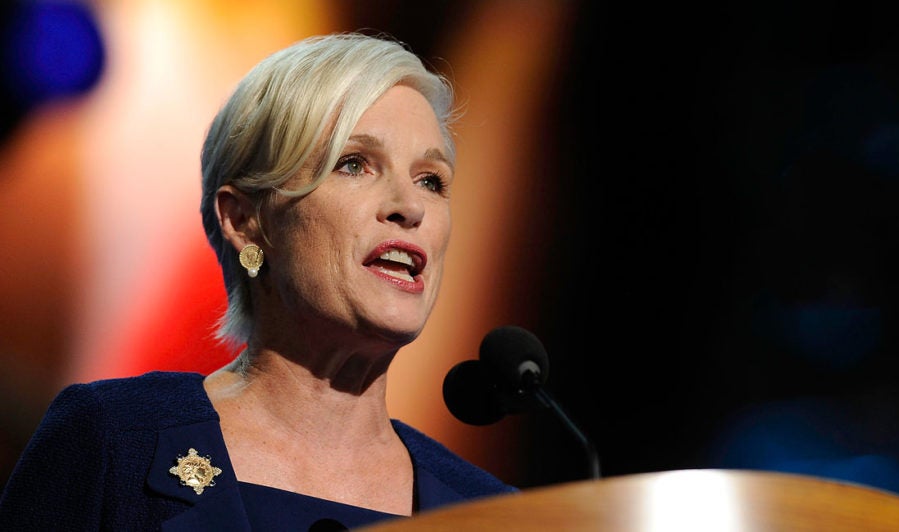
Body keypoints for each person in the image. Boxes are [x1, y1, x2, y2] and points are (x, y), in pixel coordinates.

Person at [0, 31, 518, 530]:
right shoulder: (114, 440)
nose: (410, 207)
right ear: (245, 221)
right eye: (354, 164)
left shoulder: (493, 514)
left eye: (431, 180)